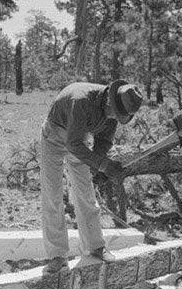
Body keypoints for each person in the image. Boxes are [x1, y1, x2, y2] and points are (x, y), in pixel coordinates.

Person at [39, 79, 144, 274]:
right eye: (116, 114)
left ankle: (95, 247)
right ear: (109, 102)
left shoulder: (115, 111)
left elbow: (103, 140)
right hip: (55, 135)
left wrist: (98, 166)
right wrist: (102, 164)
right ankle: (57, 256)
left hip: (78, 139)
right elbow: (73, 144)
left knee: (86, 191)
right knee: (52, 193)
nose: (115, 119)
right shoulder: (81, 101)